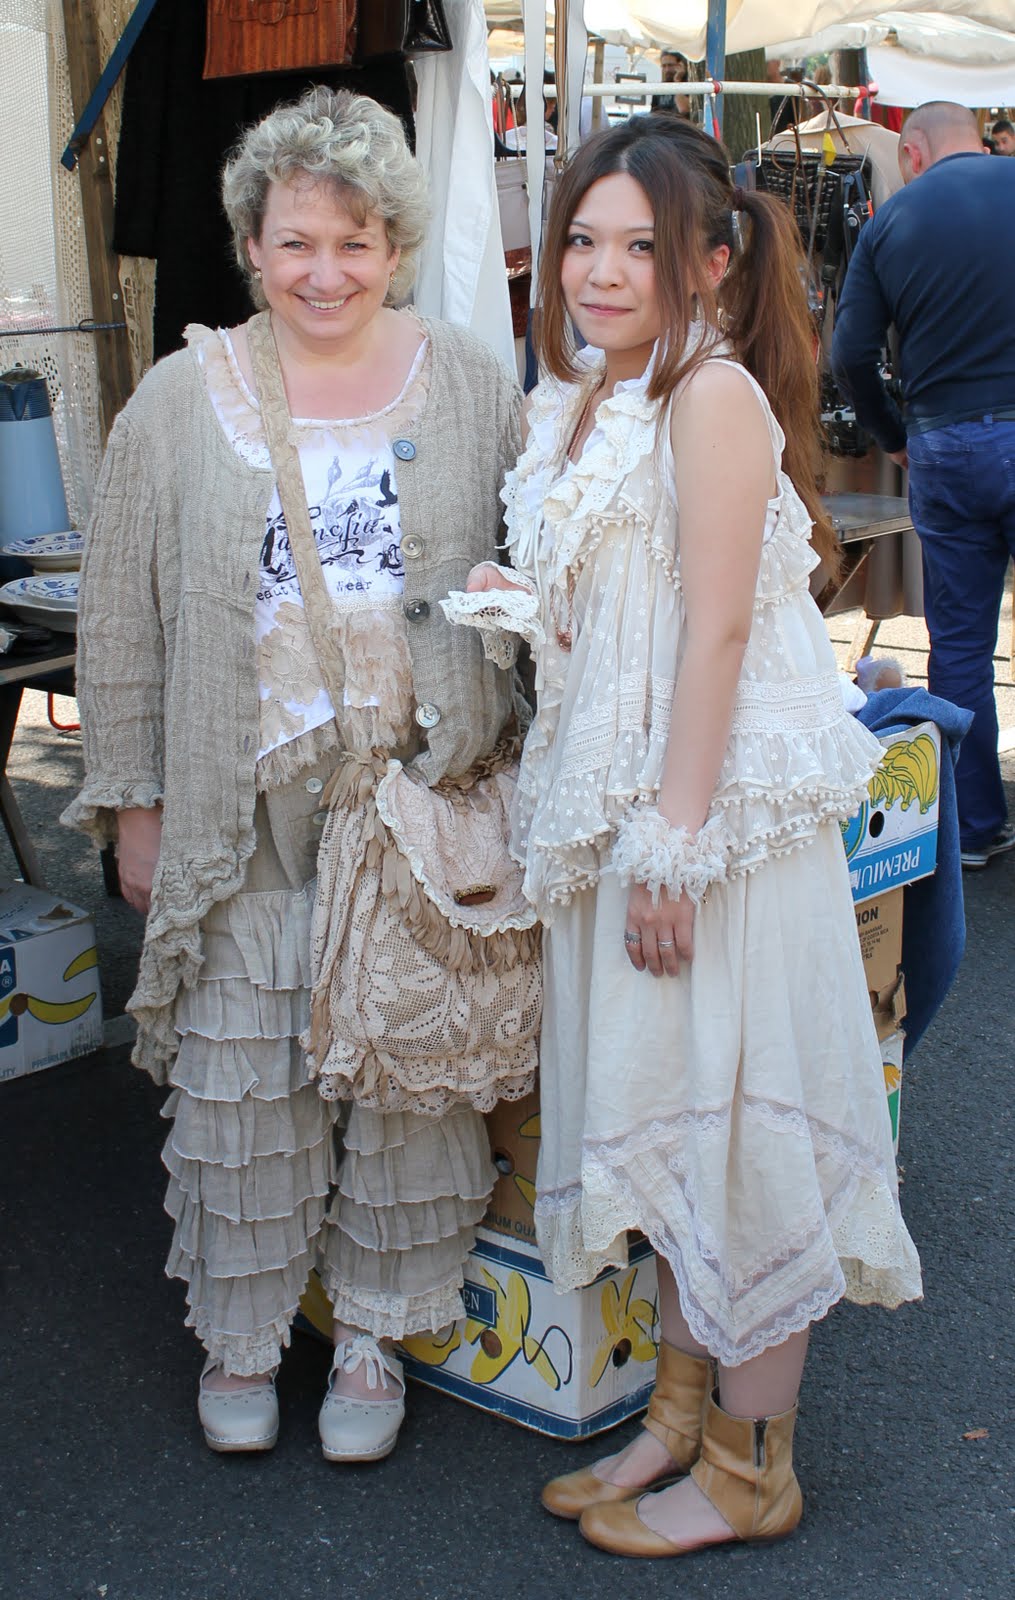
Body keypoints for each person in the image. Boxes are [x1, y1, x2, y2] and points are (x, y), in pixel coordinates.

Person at [455, 114, 921, 1560]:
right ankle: (674, 1414)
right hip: (623, 814)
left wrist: (672, 846)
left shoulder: (707, 395)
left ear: (711, 263)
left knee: (733, 1131)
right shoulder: (589, 394)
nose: (598, 272)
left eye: (638, 247)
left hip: (703, 831)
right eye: (582, 241)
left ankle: (749, 1464)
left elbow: (716, 631)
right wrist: (530, 603)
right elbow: (628, 606)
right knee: (664, 1117)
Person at [65, 87, 526, 1463]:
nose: (325, 272)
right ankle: (243, 1335)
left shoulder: (470, 383)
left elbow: (532, 577)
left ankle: (373, 1336)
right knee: (241, 1076)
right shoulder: (178, 399)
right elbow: (120, 620)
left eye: (353, 242)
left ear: (395, 246)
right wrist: (136, 807)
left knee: (405, 1073)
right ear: (250, 247)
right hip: (244, 804)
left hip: (416, 799)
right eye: (295, 243)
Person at [832, 100, 1015, 870]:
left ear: (910, 152)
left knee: (961, 644)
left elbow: (849, 355)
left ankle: (973, 827)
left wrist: (894, 437)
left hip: (941, 444)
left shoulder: (891, 222)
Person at [656, 50, 691, 119]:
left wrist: (677, 80)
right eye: (664, 66)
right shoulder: (659, 89)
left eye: (670, 65)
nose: (667, 70)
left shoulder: (688, 85)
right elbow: (653, 114)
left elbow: (683, 109)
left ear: (680, 65)